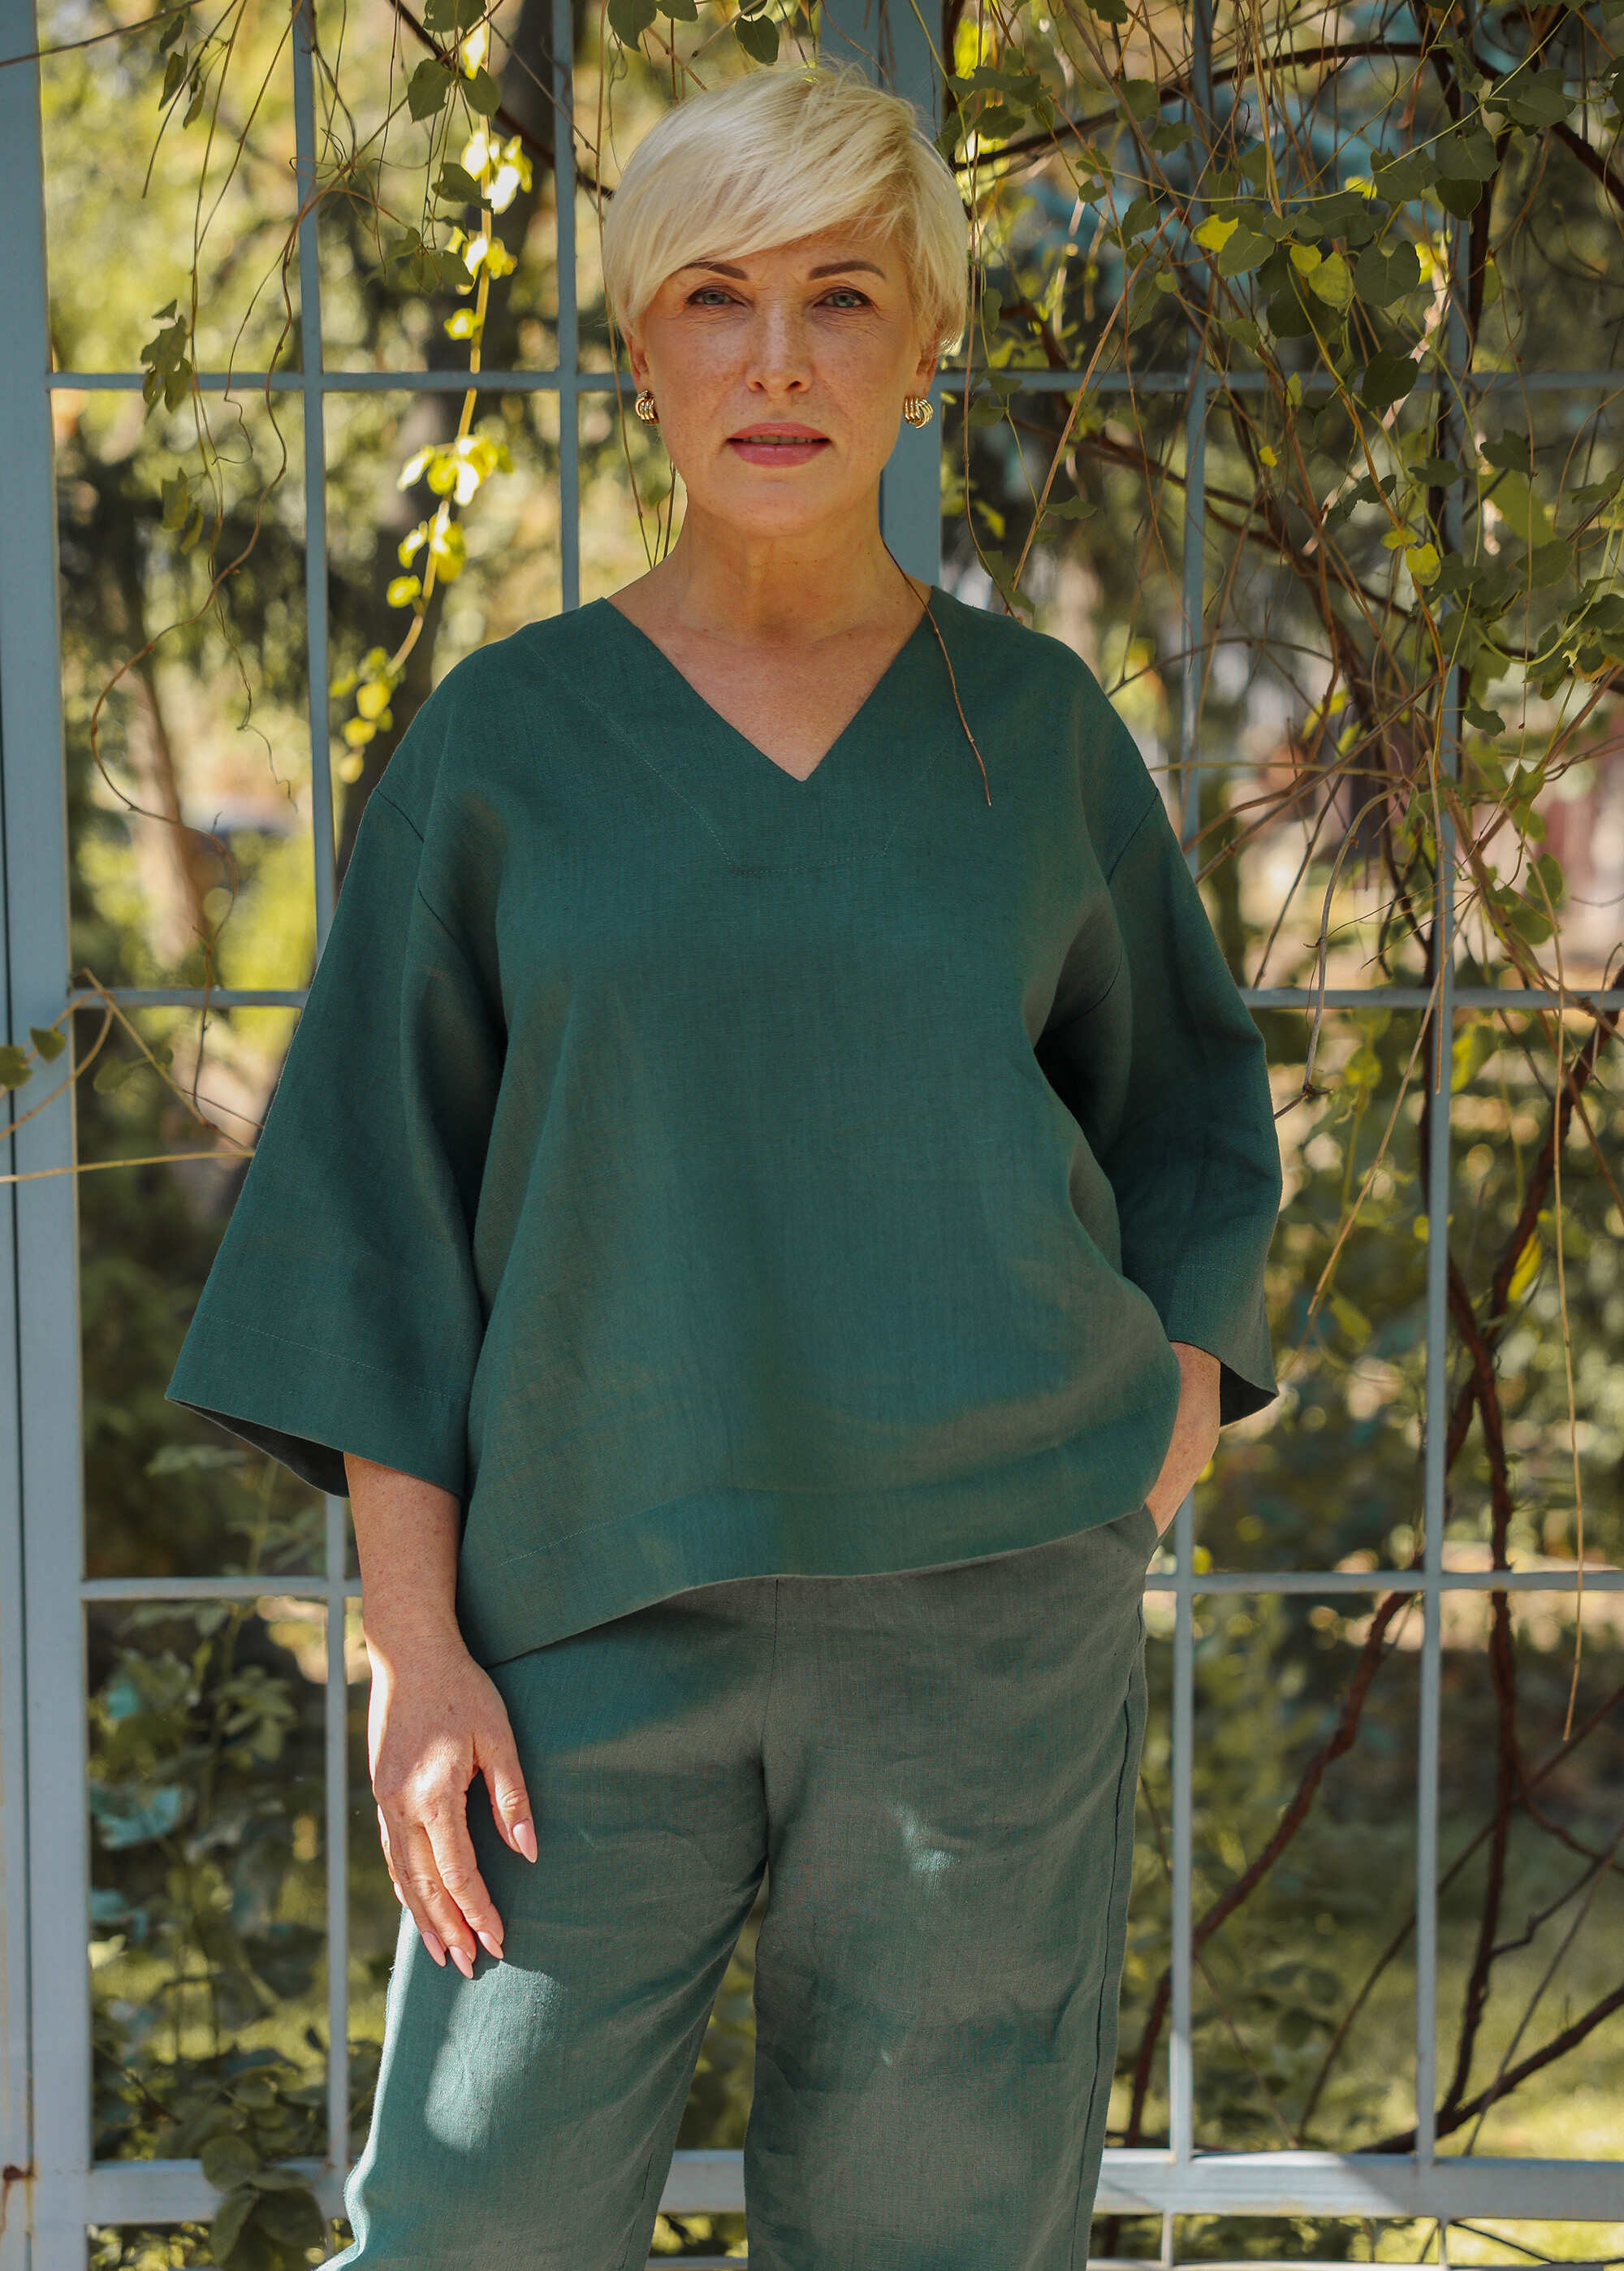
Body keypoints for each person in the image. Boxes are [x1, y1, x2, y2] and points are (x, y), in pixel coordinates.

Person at [166, 55, 1281, 2270]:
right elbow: (379, 1212)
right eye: (715, 297)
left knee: (932, 2236)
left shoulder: (1034, 736)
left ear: (926, 344)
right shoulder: (504, 745)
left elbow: (1185, 1129)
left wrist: (1135, 1470)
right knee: (470, 2217)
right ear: (640, 347)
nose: (778, 359)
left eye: (842, 296)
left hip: (986, 1607)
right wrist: (416, 1650)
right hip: (583, 1607)